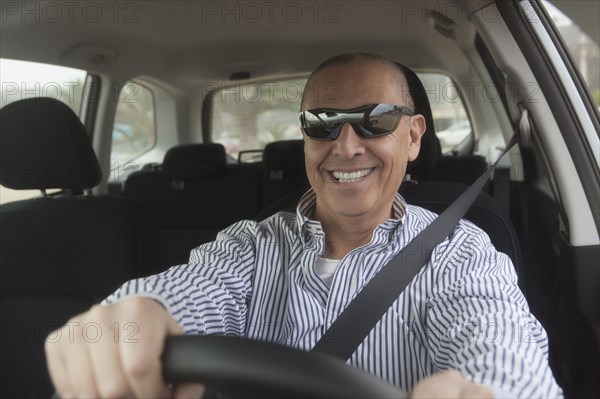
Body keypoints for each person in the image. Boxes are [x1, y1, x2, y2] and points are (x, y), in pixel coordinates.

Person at [45, 53, 563, 398]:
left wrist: (487, 391)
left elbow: (502, 346)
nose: (346, 145)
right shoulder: (252, 245)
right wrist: (127, 323)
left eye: (375, 120)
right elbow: (188, 289)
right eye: (323, 124)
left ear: (412, 136)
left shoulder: (458, 251)